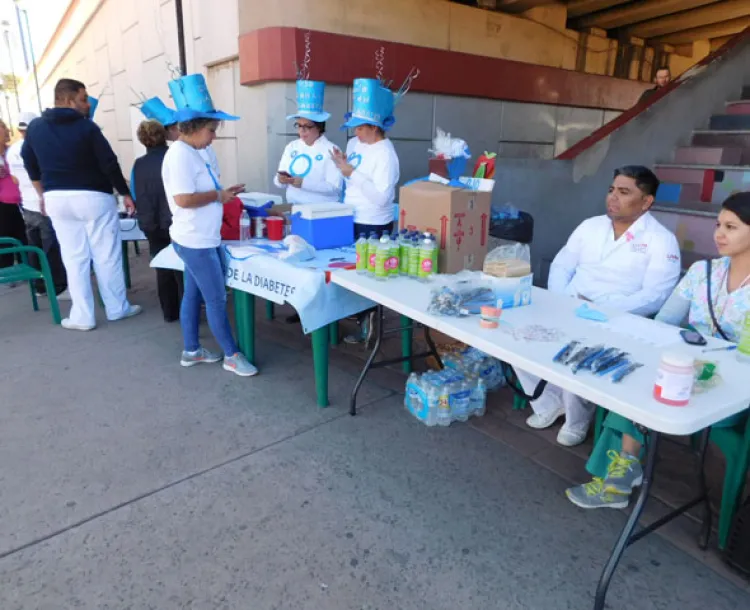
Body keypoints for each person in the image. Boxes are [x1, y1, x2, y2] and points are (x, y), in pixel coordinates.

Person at [567, 192, 750, 509]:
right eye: (719, 224)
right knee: (634, 381)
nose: (719, 234)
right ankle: (620, 476)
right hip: (684, 370)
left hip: (733, 389)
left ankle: (619, 478)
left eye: (731, 227)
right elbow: (664, 323)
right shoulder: (703, 274)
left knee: (650, 387)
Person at [515, 166, 681, 446]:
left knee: (580, 352)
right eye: (611, 190)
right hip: (567, 303)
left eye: (624, 192)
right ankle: (548, 403)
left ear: (646, 201)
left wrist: (602, 310)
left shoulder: (661, 240)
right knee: (516, 338)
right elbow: (562, 263)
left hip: (617, 319)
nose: (613, 197)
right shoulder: (590, 226)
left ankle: (577, 420)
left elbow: (655, 295)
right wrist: (562, 299)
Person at [20, 78, 141, 331]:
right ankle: (117, 307)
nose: (87, 104)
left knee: (73, 257)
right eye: (83, 98)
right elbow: (109, 162)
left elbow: (29, 163)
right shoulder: (87, 128)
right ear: (67, 99)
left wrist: (42, 194)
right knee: (106, 255)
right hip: (93, 196)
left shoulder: (35, 129)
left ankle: (82, 316)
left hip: (56, 198)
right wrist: (125, 193)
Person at [162, 73, 257, 377]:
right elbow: (183, 199)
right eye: (211, 129)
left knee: (194, 294)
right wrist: (218, 195)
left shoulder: (193, 151)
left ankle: (192, 350)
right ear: (194, 128)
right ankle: (231, 354)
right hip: (195, 240)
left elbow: (197, 195)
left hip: (202, 237)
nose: (214, 136)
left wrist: (223, 194)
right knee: (216, 299)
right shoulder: (180, 155)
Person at [331, 78, 401, 344]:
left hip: (373, 222)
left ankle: (369, 323)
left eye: (359, 128)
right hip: (351, 215)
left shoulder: (386, 155)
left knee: (369, 277)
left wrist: (353, 173)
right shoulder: (355, 146)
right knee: (351, 271)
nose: (355, 133)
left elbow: (383, 199)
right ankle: (356, 316)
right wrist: (343, 165)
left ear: (374, 127)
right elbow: (352, 178)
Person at [7, 112, 69, 299]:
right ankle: (58, 287)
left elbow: (14, 179)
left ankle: (39, 286)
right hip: (43, 203)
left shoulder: (12, 151)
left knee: (34, 247)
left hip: (26, 205)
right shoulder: (39, 146)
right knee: (51, 248)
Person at [132, 119, 181, 322]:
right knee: (181, 267)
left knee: (162, 266)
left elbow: (136, 192)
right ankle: (189, 311)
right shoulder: (175, 157)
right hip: (174, 219)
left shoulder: (139, 164)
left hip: (151, 222)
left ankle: (170, 312)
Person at [273, 80, 342, 204]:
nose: (302, 131)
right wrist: (281, 180)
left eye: (307, 126)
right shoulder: (292, 146)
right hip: (294, 208)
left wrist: (304, 183)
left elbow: (335, 187)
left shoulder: (331, 150)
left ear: (319, 127)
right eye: (299, 126)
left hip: (321, 212)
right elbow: (278, 181)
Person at [0, 118, 27, 272]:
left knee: (24, 236)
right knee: (6, 236)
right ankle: (6, 269)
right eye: (2, 127)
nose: (7, 130)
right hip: (3, 204)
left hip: (21, 200)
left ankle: (26, 265)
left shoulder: (14, 151)